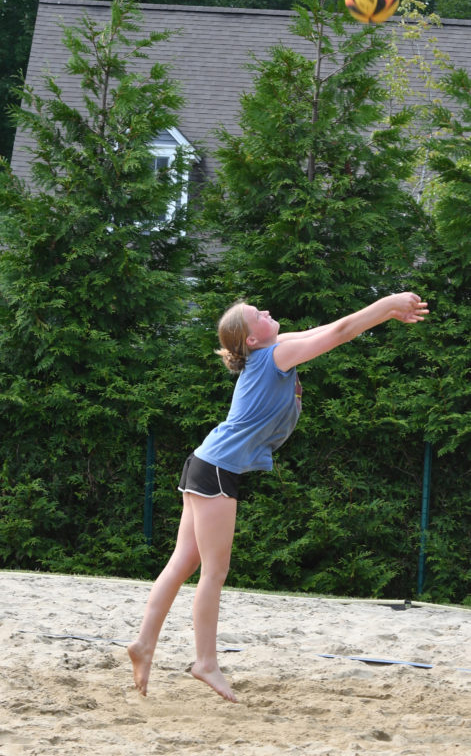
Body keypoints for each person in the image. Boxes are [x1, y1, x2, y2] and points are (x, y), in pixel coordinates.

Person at [128, 292, 429, 703]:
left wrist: (389, 312)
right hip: (216, 470)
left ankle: (144, 643)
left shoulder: (274, 348)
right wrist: (390, 300)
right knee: (213, 573)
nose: (267, 312)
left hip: (204, 463)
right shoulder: (275, 356)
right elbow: (341, 332)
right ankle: (205, 662)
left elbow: (330, 329)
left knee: (184, 562)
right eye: (259, 315)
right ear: (251, 339)